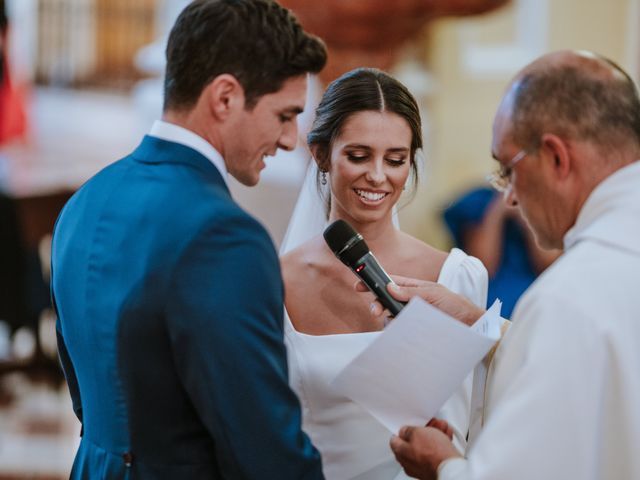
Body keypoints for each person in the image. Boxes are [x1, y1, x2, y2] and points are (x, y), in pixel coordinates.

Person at [51, 0, 327, 478]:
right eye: (284, 115)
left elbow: (84, 390)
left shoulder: (84, 202)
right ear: (225, 98)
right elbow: (262, 447)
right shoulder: (226, 237)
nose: (289, 139)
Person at [382, 50, 640, 479]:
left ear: (557, 158)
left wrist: (442, 464)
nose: (512, 197)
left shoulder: (568, 297)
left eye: (508, 169)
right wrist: (482, 324)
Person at [280, 67, 488, 480]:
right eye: (358, 156)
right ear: (321, 154)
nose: (378, 175)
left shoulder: (457, 276)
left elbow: (468, 428)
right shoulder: (275, 280)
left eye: (396, 160)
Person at [443, 186, 560, 318]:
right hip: (489, 302)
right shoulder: (478, 202)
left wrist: (527, 218)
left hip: (534, 300)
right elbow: (482, 266)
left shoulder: (548, 202)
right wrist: (497, 212)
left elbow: (550, 265)